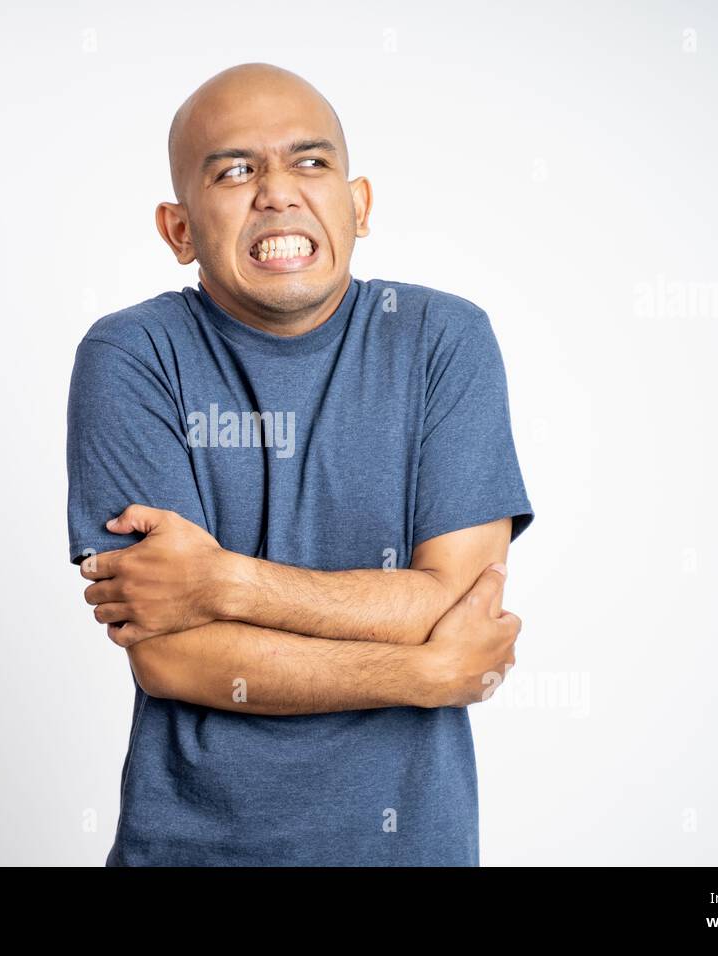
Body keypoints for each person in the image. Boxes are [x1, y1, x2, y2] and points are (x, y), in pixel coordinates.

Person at [66, 62, 535, 866]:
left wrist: (224, 583)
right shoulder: (132, 356)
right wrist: (426, 673)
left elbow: (458, 598)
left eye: (309, 162)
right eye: (236, 169)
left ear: (358, 206)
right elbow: (173, 656)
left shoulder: (443, 341)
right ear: (179, 230)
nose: (277, 192)